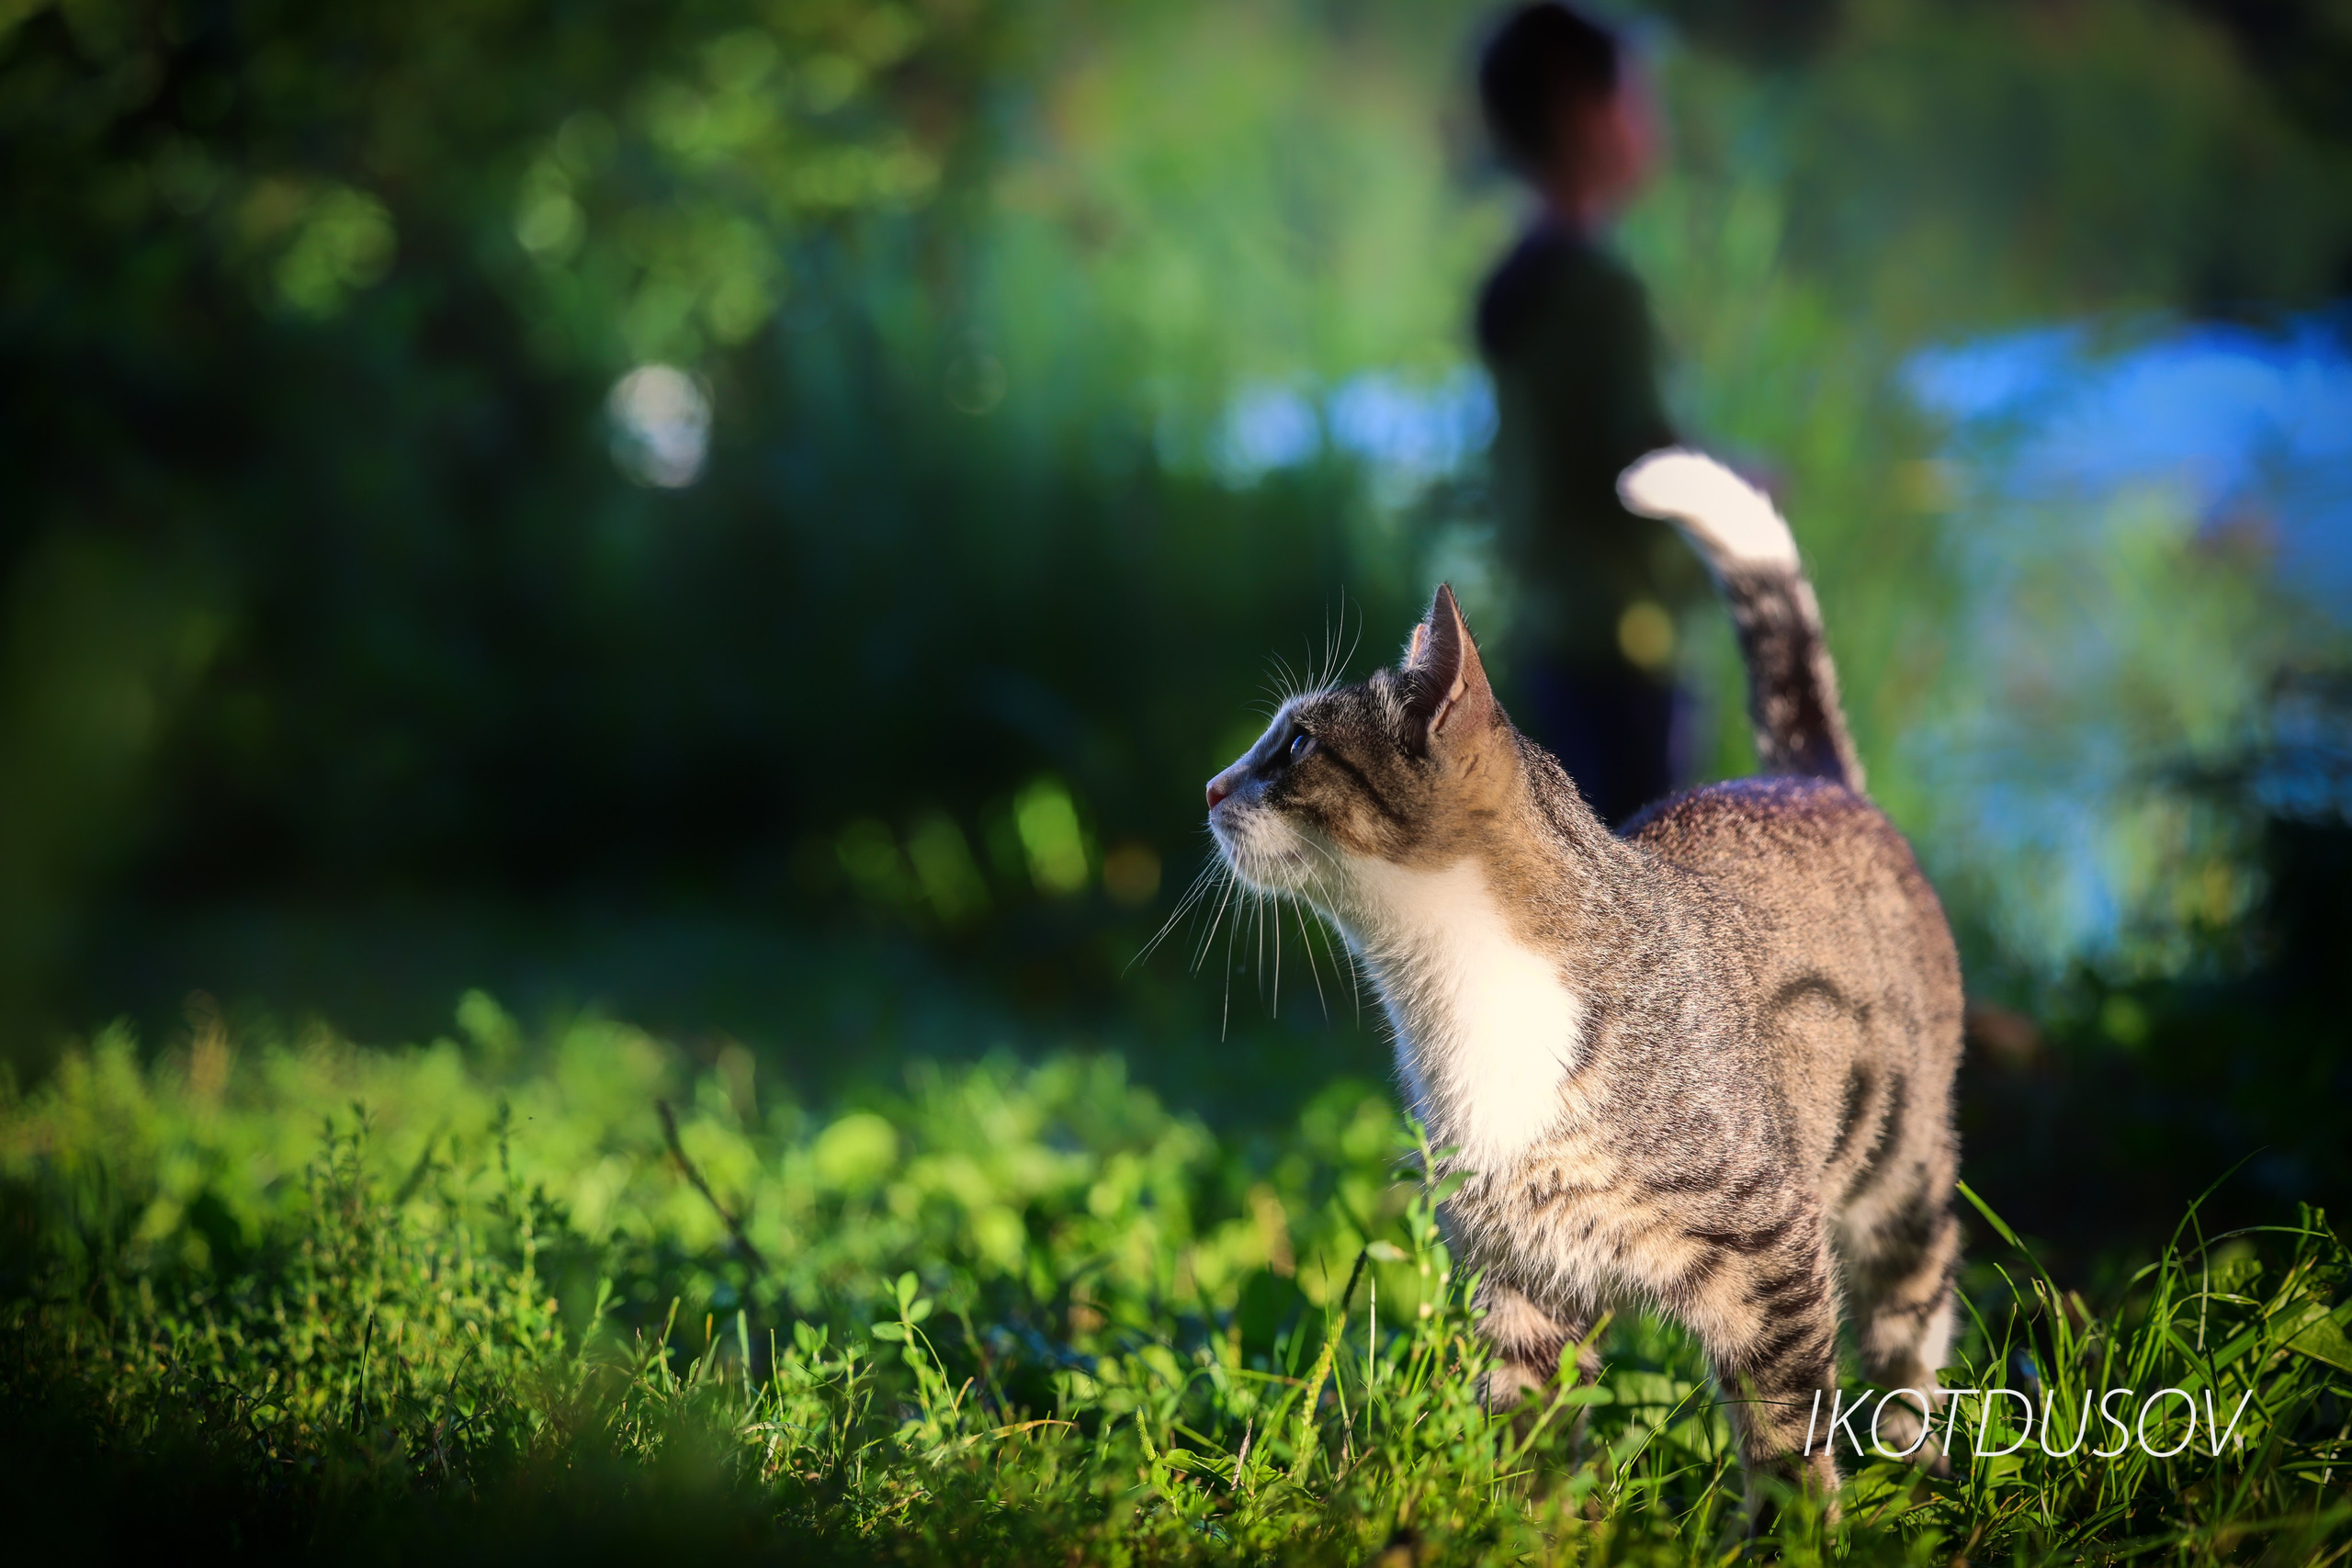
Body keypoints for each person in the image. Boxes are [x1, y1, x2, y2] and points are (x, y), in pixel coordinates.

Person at [1475, 3, 1701, 827]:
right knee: (1646, 894)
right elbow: (1646, 463)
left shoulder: (1517, 286)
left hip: (1545, 642)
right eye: (1635, 99)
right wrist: (1739, 490)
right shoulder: (1604, 290)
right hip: (1625, 648)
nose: (1650, 122)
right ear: (1581, 112)